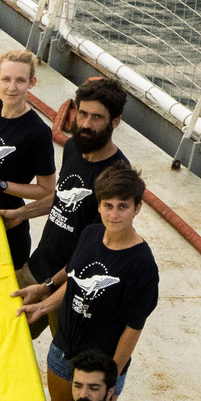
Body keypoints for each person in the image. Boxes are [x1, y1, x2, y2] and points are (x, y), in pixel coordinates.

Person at [22, 164, 158, 401]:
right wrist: (43, 303)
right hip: (62, 352)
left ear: (137, 208)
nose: (114, 215)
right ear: (98, 206)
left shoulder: (142, 266)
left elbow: (133, 328)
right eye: (108, 205)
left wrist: (110, 377)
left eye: (123, 206)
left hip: (99, 369)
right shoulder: (91, 234)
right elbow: (74, 281)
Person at [28, 76, 132, 286]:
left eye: (97, 118)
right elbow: (60, 198)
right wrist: (18, 215)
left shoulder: (118, 175)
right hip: (38, 265)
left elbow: (96, 247)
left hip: (68, 286)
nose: (86, 124)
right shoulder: (73, 147)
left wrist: (48, 287)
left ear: (115, 121)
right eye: (82, 114)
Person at [0, 48, 57, 286]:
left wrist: (1, 184)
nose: (12, 87)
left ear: (31, 83)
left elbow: (46, 191)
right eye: (6, 79)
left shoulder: (38, 132)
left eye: (20, 80)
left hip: (8, 227)